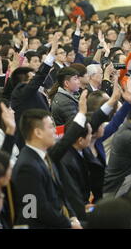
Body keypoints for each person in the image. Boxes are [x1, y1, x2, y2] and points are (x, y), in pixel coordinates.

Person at [12, 91, 89, 229]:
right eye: (50, 127)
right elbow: (35, 211)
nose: (55, 131)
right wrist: (69, 224)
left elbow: (60, 194)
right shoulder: (27, 166)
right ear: (38, 132)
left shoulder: (44, 156)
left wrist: (72, 216)